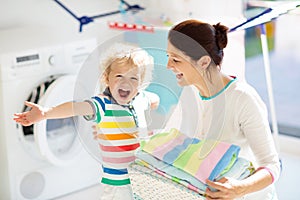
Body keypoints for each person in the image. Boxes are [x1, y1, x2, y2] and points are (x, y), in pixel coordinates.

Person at [13, 42, 159, 200]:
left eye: (133, 78)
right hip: (118, 181)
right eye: (119, 76)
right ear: (106, 78)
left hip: (141, 175)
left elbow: (153, 100)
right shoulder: (103, 104)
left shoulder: (140, 98)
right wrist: (46, 113)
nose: (126, 83)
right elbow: (76, 108)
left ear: (141, 83)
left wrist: (146, 122)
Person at [165, 19, 281, 200]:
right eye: (168, 57)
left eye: (176, 59)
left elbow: (272, 165)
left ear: (203, 62)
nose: (168, 66)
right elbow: (173, 140)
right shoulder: (189, 91)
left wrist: (240, 188)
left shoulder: (243, 99)